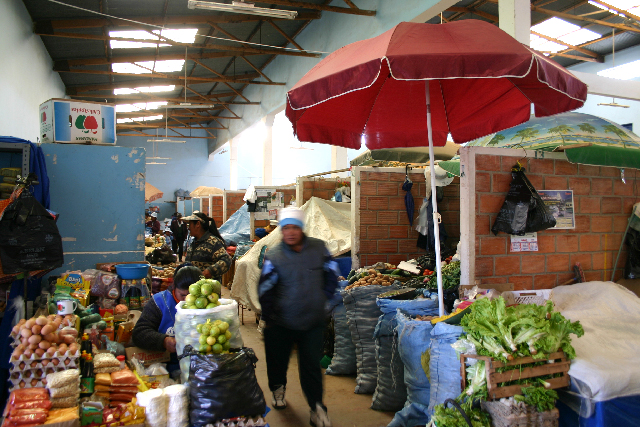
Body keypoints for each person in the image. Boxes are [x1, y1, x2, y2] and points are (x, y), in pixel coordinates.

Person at [258, 207, 339, 427]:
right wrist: (269, 316)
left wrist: (323, 298)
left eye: (295, 227)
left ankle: (317, 408)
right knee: (277, 361)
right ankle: (278, 389)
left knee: (311, 366)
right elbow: (265, 287)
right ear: (281, 230)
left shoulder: (318, 249)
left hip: (312, 322)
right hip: (280, 322)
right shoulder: (274, 255)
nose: (290, 232)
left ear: (301, 228)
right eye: (286, 228)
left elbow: (332, 274)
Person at [132, 264, 202, 376]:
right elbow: (139, 333)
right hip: (168, 367)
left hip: (201, 366)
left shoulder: (208, 305)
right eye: (182, 295)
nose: (187, 300)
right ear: (174, 286)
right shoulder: (159, 302)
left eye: (192, 296)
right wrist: (163, 341)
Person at [182, 212, 231, 281]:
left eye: (190, 224)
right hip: (193, 286)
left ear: (198, 224)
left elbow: (226, 260)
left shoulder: (213, 242)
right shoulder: (194, 243)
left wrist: (210, 271)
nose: (188, 228)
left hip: (208, 288)